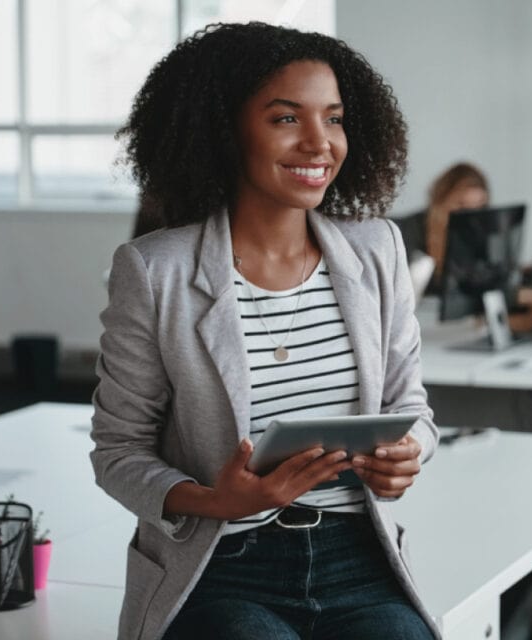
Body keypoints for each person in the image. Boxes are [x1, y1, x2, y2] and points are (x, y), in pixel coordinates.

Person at [90, 23, 439, 640]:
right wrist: (214, 501)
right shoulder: (154, 271)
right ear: (225, 131)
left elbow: (411, 407)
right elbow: (118, 453)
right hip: (222, 567)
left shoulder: (378, 248)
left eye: (333, 119)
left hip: (357, 559)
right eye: (286, 119)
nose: (319, 143)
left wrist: (408, 455)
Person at [394, 162, 490, 290]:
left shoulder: (474, 238)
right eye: (461, 205)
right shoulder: (407, 232)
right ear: (440, 200)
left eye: (478, 208)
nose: (470, 218)